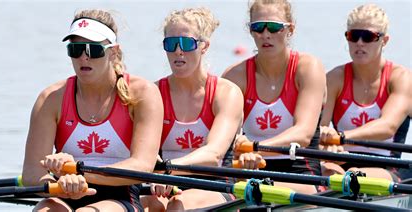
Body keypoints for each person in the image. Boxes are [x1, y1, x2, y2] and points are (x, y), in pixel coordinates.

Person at [21, 9, 164, 211]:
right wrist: (57, 185)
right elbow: (31, 172)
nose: (83, 58)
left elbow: (142, 166)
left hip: (121, 193)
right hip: (64, 192)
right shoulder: (51, 99)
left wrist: (78, 174)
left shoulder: (143, 93)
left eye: (92, 50)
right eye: (75, 49)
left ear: (113, 51)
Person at [140, 7, 252, 211]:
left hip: (216, 184)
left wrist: (168, 169)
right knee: (146, 205)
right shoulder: (153, 93)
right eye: (171, 44)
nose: (178, 51)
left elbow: (213, 154)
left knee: (177, 206)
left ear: (204, 46)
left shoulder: (226, 93)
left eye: (186, 43)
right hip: (165, 182)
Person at [222, 0, 326, 194]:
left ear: (290, 29)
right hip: (248, 170)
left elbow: (303, 133)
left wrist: (253, 148)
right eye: (258, 27)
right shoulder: (234, 76)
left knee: (261, 192)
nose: (266, 34)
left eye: (274, 27)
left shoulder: (308, 68)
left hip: (299, 170)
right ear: (251, 31)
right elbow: (222, 134)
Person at [319, 4, 410, 182]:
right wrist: (325, 140)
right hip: (342, 161)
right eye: (353, 36)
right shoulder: (334, 78)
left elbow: (388, 126)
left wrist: (341, 138)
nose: (359, 43)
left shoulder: (400, 78)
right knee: (326, 171)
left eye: (368, 36)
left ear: (384, 40)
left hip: (387, 166)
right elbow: (318, 130)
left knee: (355, 175)